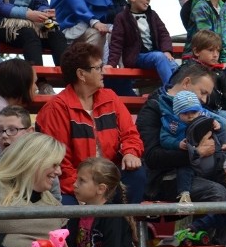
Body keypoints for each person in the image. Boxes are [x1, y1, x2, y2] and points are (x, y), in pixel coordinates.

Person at [36, 42, 145, 203]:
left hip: (107, 179)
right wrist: (88, 187)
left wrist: (130, 152)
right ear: (81, 74)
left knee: (137, 174)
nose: (104, 71)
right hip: (75, 184)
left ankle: (125, 226)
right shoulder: (56, 109)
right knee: (67, 204)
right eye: (98, 68)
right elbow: (60, 163)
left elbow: (130, 134)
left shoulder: (111, 98)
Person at [137, 62, 226, 203]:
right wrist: (196, 153)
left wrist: (225, 147)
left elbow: (211, 140)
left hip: (199, 169)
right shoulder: (153, 108)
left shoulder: (196, 108)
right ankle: (198, 226)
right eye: (203, 92)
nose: (205, 100)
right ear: (187, 83)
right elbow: (152, 157)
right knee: (216, 191)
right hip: (167, 176)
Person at [107, 0, 178, 86]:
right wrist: (111, 64)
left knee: (176, 67)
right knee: (158, 57)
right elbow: (116, 43)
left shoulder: (153, 15)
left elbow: (164, 35)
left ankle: (185, 95)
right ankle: (170, 92)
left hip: (156, 55)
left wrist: (167, 51)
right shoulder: (122, 18)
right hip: (136, 57)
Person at [160, 90, 225, 205]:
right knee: (184, 169)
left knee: (222, 159)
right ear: (177, 113)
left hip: (209, 155)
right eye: (185, 113)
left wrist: (216, 124)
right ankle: (184, 193)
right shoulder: (172, 123)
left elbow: (219, 124)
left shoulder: (204, 115)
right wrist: (177, 143)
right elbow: (164, 138)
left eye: (193, 112)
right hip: (187, 157)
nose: (190, 116)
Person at [183, 30, 226, 119]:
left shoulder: (218, 72)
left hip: (217, 111)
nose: (215, 55)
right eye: (210, 50)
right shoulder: (188, 70)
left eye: (218, 51)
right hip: (196, 112)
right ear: (196, 51)